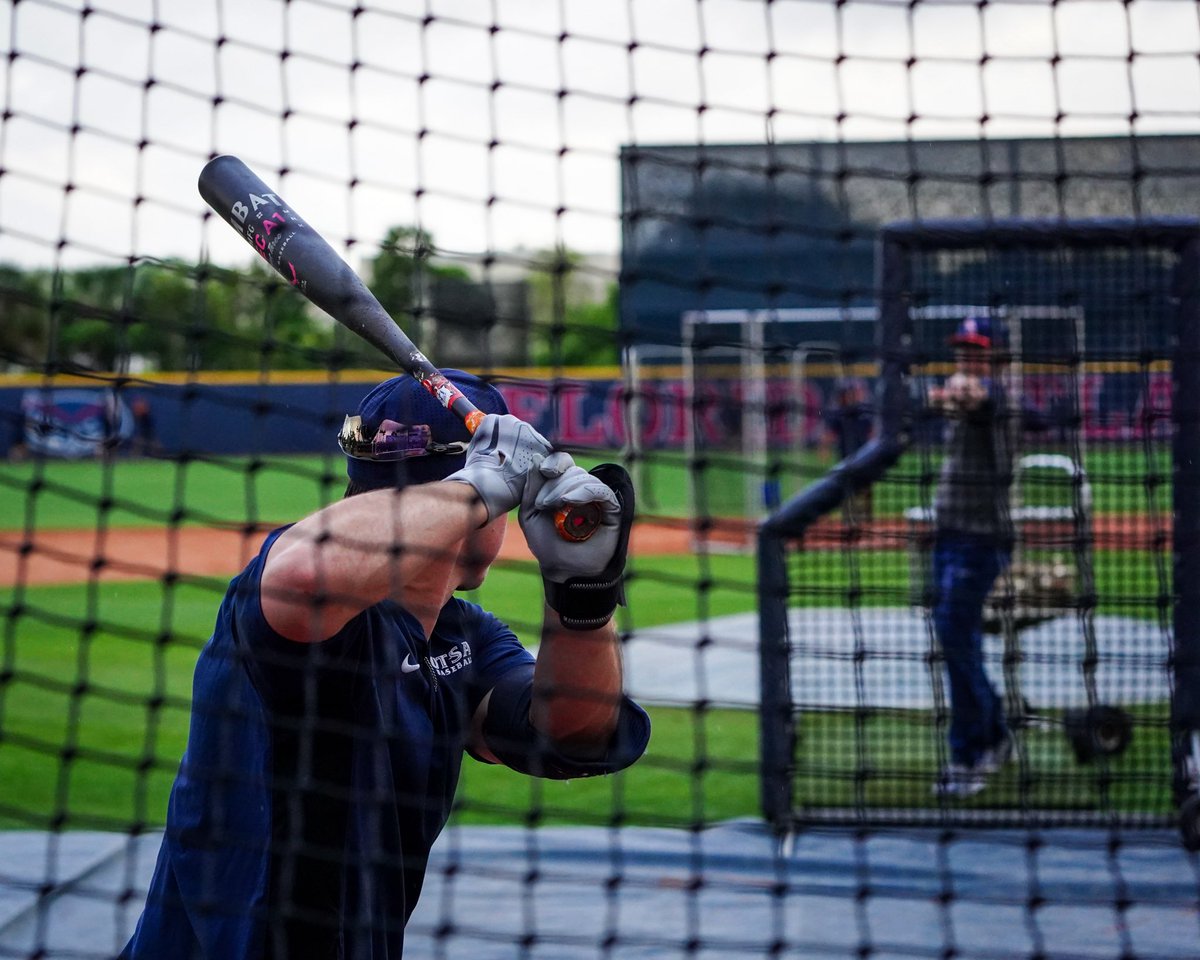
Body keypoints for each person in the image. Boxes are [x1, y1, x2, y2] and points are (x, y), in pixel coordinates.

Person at [120, 369, 650, 958]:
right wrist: (479, 485)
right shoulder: (307, 605)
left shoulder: (462, 637)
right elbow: (306, 576)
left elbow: (574, 731)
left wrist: (584, 598)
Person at [925, 317, 1016, 798]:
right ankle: (995, 733)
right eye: (963, 349)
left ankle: (970, 753)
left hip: (979, 541)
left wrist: (957, 395)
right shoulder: (964, 398)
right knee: (957, 640)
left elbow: (983, 402)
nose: (967, 357)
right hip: (952, 535)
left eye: (976, 350)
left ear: (994, 355)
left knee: (955, 637)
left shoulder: (998, 398)